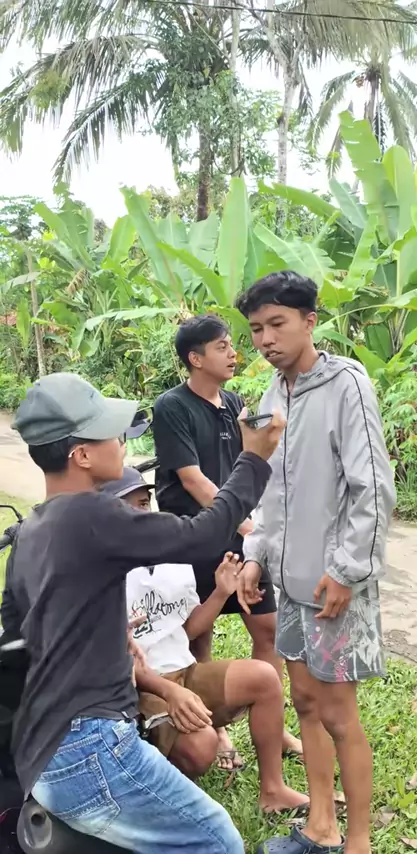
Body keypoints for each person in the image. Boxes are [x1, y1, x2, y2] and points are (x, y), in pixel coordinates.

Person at [6, 371, 285, 854]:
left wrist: (109, 639)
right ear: (82, 455)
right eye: (110, 434)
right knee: (218, 841)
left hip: (44, 751)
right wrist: (254, 459)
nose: (122, 442)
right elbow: (202, 533)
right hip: (91, 749)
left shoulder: (33, 528)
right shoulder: (92, 514)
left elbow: (23, 631)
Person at [235, 272, 397, 854]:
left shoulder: (345, 384)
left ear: (310, 321)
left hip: (334, 584)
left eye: (277, 324)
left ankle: (358, 841)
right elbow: (270, 488)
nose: (265, 339)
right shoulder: (273, 394)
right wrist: (256, 555)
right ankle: (320, 827)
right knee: (304, 701)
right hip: (291, 581)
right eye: (256, 329)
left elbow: (372, 486)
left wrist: (349, 569)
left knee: (337, 713)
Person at [101, 467, 309, 815]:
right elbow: (109, 660)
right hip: (140, 688)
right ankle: (153, 785)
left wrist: (221, 592)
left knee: (263, 677)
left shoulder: (171, 555)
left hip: (185, 671)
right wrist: (169, 692)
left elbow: (185, 630)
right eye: (129, 505)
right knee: (202, 748)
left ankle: (273, 790)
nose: (141, 512)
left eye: (144, 502)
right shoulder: (99, 570)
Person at [153, 313, 302, 770]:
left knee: (267, 627)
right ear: (195, 358)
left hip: (240, 531)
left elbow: (253, 463)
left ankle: (273, 725)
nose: (234, 353)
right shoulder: (172, 406)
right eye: (222, 347)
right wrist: (244, 525)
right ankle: (213, 727)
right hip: (195, 536)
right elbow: (192, 479)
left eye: (231, 344)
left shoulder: (234, 404)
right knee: (199, 634)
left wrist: (251, 525)